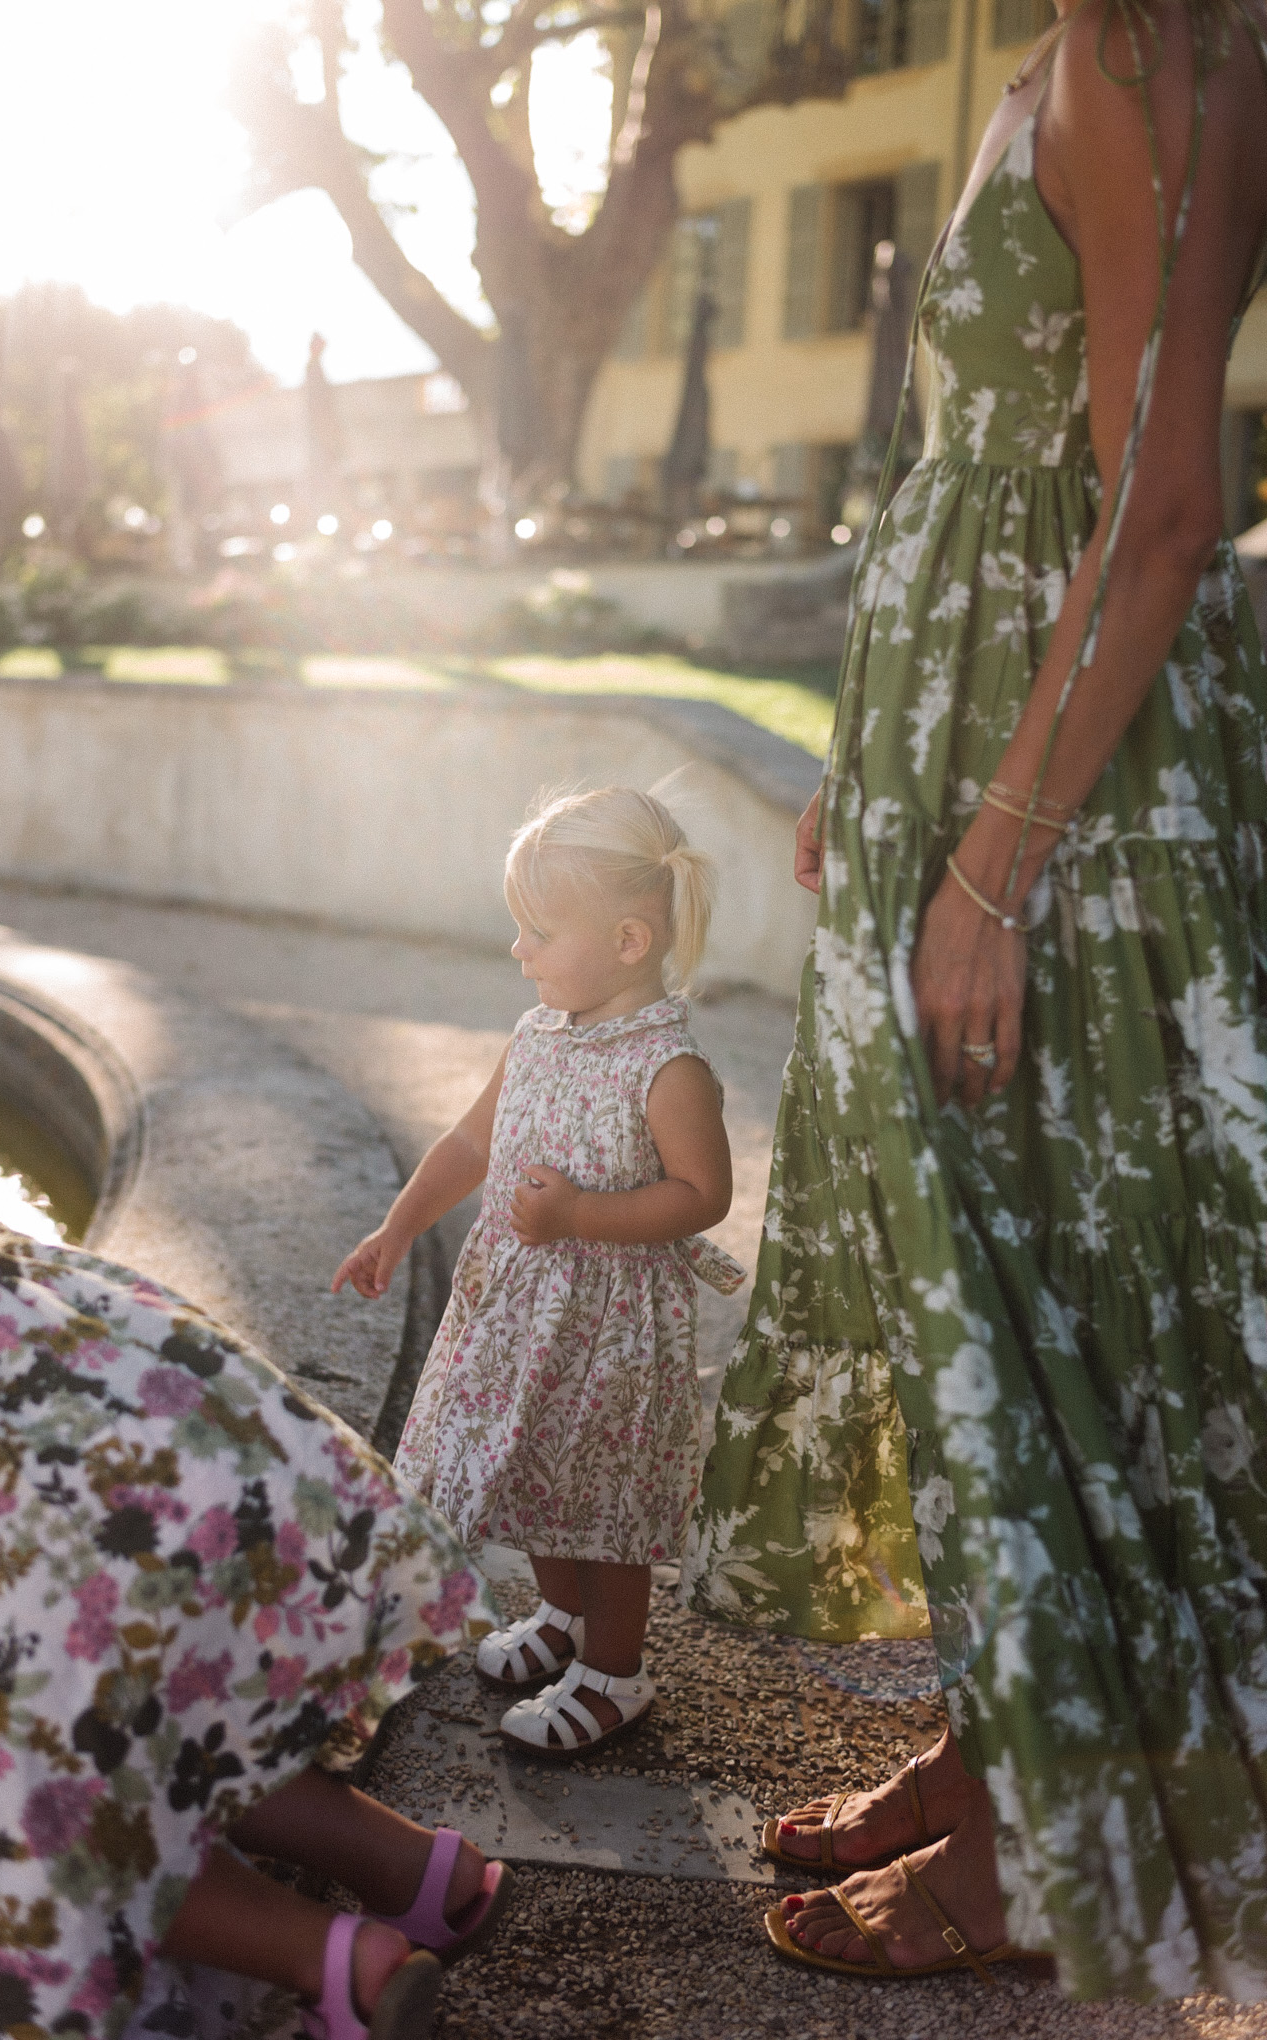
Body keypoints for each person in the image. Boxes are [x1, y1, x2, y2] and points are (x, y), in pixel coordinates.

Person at [683, 0, 1267, 2001]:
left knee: (1054, 1298)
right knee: (968, 1285)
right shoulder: (1047, 49)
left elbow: (1163, 502)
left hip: (1068, 814)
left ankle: (1052, 1847)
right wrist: (882, 757)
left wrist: (994, 856)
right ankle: (993, 1746)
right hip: (967, 747)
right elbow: (985, 465)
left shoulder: (1153, 57)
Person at [0, 1147, 512, 2040]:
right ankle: (420, 1873)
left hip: (6, 1563)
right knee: (159, 1724)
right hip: (155, 1470)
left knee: (17, 1792)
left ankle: (330, 1961)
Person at [333, 787, 743, 1759]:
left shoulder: (668, 1067)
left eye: (538, 930)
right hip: (517, 1314)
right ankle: (561, 1621)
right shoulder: (535, 1036)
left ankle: (613, 1671)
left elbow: (700, 1195)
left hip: (606, 1325)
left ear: (630, 940)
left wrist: (579, 1215)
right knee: (534, 1480)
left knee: (600, 1501)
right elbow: (471, 1143)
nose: (518, 949)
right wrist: (397, 1229)